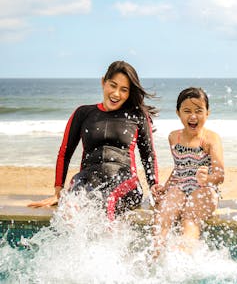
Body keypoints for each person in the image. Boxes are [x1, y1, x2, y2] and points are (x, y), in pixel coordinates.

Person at [28, 61, 159, 221]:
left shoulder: (137, 117)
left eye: (124, 90)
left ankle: (109, 246)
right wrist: (58, 191)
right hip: (86, 178)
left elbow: (148, 155)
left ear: (129, 93)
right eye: (113, 85)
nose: (116, 94)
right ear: (103, 82)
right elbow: (65, 152)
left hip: (125, 181)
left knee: (107, 203)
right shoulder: (83, 113)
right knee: (71, 206)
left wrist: (154, 187)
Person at [152, 87, 224, 255]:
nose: (193, 116)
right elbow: (179, 168)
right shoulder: (173, 137)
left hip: (205, 189)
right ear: (178, 113)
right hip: (180, 186)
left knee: (189, 218)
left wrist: (207, 179)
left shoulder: (211, 139)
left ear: (207, 113)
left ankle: (185, 256)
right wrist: (166, 186)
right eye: (187, 111)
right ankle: (155, 255)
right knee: (163, 214)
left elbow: (220, 176)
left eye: (199, 111)